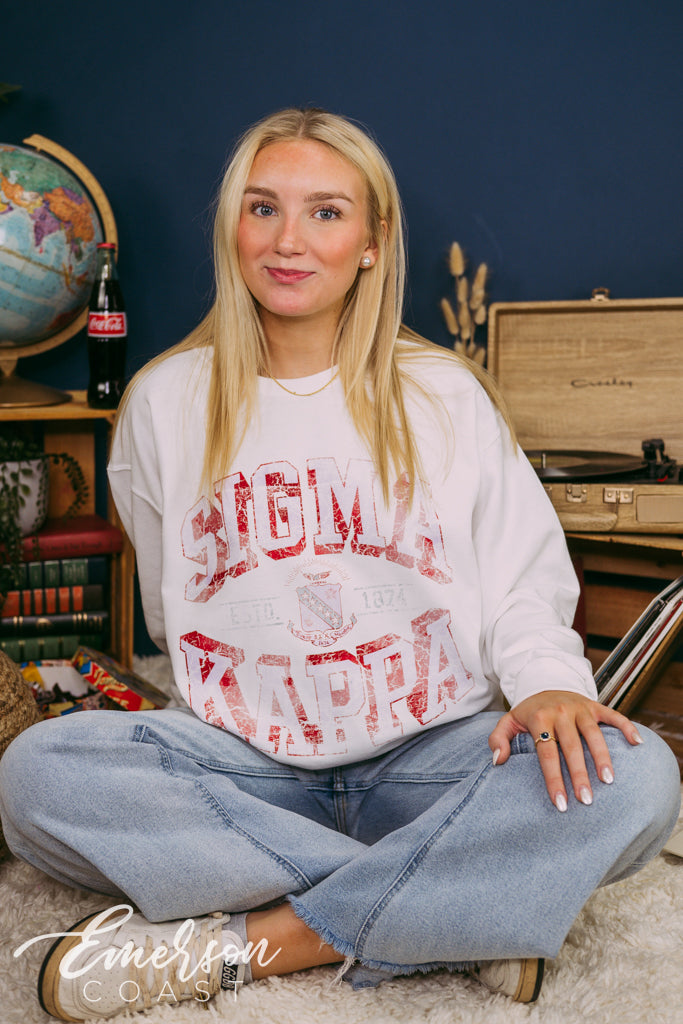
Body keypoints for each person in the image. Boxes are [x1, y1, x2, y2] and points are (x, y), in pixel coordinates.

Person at [0, 107, 679, 1022]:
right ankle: (456, 914)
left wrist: (548, 685)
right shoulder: (164, 401)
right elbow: (173, 611)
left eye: (325, 212)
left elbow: (521, 578)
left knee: (637, 779)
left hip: (434, 759)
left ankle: (265, 941)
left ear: (371, 242)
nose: (288, 241)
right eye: (262, 208)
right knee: (38, 774)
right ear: (232, 228)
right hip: (246, 769)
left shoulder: (442, 395)